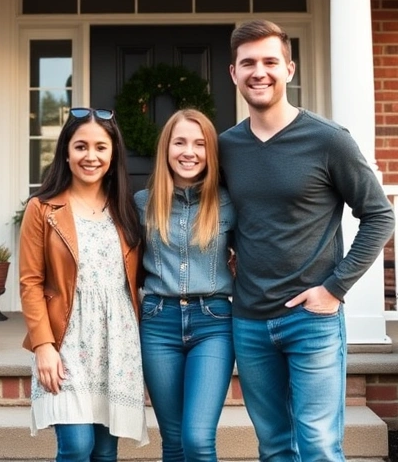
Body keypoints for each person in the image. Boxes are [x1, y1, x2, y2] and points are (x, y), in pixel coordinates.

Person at [218, 20, 395, 462]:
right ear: (233, 74)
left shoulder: (328, 139)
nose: (259, 72)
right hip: (250, 320)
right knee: (275, 446)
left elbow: (379, 215)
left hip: (311, 319)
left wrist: (335, 289)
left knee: (317, 446)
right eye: (248, 63)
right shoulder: (225, 148)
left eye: (270, 61)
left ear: (289, 69)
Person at [18, 107, 149, 461]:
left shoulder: (126, 209)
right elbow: (30, 283)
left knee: (106, 453)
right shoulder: (42, 209)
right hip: (67, 340)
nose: (90, 156)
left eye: (100, 147)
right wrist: (43, 345)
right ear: (66, 151)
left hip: (117, 342)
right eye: (81, 147)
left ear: (113, 153)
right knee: (76, 447)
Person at [134, 109, 236, 462]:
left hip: (214, 323)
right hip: (157, 323)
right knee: (174, 441)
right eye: (180, 142)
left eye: (199, 143)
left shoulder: (228, 202)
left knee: (197, 439)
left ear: (211, 152)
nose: (188, 151)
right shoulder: (142, 204)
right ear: (166, 148)